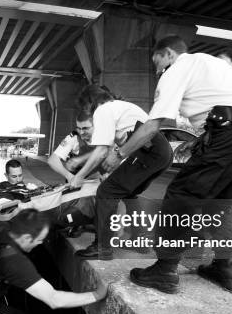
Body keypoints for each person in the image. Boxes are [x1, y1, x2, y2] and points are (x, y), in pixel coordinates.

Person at [109, 35, 232, 294]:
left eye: (155, 58)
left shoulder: (177, 68)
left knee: (183, 195)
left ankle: (165, 269)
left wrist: (119, 154)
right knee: (218, 203)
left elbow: (153, 124)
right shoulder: (211, 64)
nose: (155, 65)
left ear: (167, 53)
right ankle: (226, 266)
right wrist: (207, 136)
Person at [69, 84, 173, 260]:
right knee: (128, 192)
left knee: (106, 192)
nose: (87, 112)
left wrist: (79, 176)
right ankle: (141, 240)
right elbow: (112, 148)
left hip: (148, 152)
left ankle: (102, 248)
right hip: (161, 151)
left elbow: (102, 150)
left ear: (90, 103)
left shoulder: (102, 111)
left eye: (85, 108)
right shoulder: (121, 107)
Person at [47, 109, 96, 182]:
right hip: (81, 183)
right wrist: (70, 177)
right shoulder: (73, 138)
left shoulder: (107, 135)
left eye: (85, 128)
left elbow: (105, 151)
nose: (81, 132)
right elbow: (52, 160)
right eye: (79, 128)